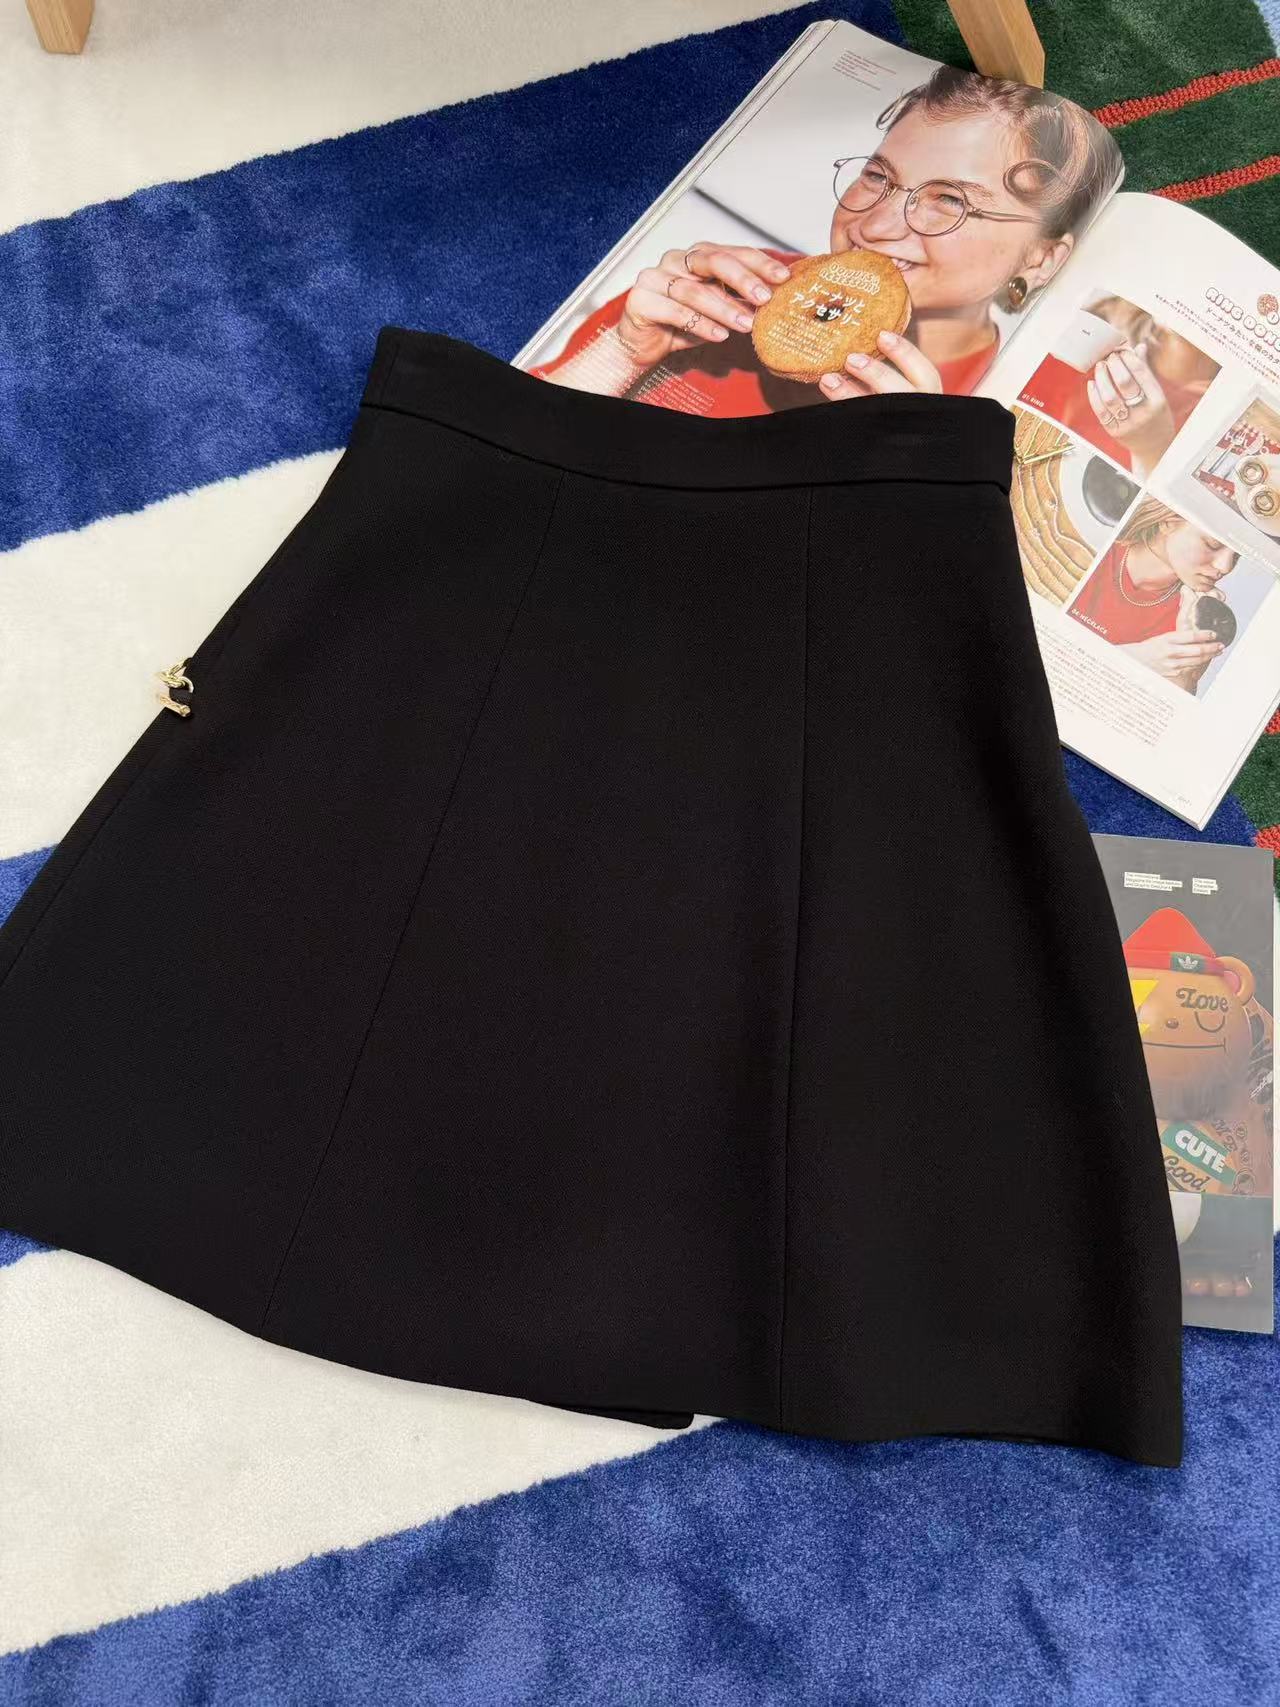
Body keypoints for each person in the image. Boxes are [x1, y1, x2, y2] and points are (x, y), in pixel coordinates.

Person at [528, 67, 1120, 414]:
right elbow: (501, 456)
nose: (874, 226)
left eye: (951, 200)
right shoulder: (716, 293)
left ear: (1041, 258)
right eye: (878, 176)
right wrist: (620, 355)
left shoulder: (1015, 402)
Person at [1024, 297, 1220, 479]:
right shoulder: (1115, 317)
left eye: (1186, 334)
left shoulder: (1198, 426)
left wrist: (1151, 451)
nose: (1160, 322)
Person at [1067, 498, 1237, 693]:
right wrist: (1134, 660)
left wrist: (1186, 665)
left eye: (1236, 556)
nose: (1226, 567)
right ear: (1168, 522)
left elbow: (1172, 703)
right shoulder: (1088, 547)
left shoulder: (1196, 614)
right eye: (1213, 544)